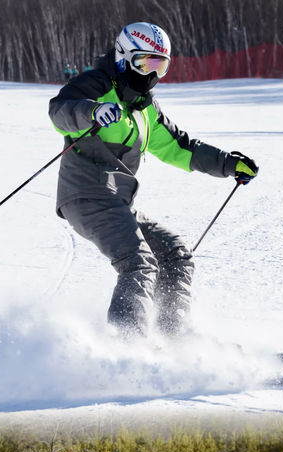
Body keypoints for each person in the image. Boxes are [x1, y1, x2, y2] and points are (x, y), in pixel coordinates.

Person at [48, 21, 258, 338]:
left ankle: (173, 336)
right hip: (85, 195)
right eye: (145, 62)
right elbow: (60, 110)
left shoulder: (145, 108)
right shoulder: (96, 85)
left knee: (176, 254)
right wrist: (91, 112)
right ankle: (126, 349)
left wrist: (228, 163)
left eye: (160, 65)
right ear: (124, 57)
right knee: (139, 263)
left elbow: (180, 147)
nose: (152, 74)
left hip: (116, 201)